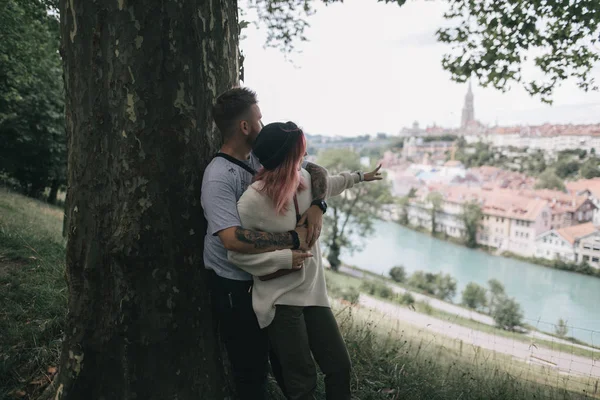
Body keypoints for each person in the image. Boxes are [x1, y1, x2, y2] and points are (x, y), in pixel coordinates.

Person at [228, 121, 383, 400]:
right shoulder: (251, 201)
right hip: (280, 301)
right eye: (300, 152)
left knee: (339, 366)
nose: (304, 157)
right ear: (287, 157)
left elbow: (331, 181)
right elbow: (236, 254)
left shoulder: (307, 182)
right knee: (302, 383)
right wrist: (285, 258)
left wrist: (360, 176)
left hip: (313, 294)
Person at [201, 87, 331, 400]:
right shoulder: (219, 175)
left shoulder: (262, 155)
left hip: (268, 280)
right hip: (235, 287)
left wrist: (318, 205)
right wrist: (291, 239)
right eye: (258, 119)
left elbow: (314, 169)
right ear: (245, 126)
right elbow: (231, 238)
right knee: (251, 371)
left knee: (287, 366)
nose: (263, 124)